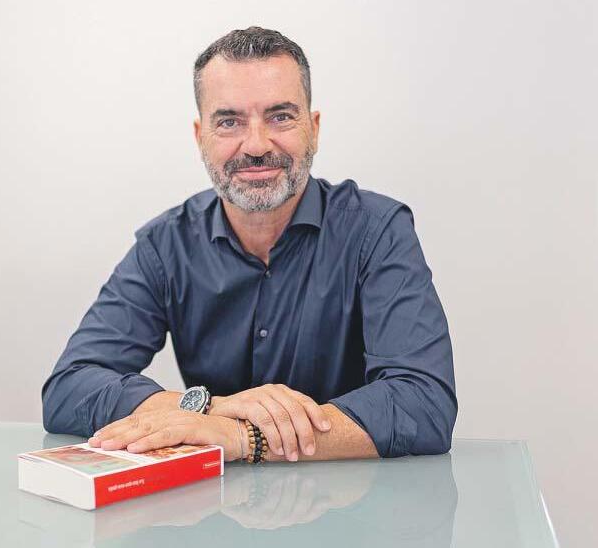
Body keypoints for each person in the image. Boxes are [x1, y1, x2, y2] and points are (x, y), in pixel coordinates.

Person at [42, 26, 457, 463]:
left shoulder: (377, 231)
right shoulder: (166, 246)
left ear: (314, 129)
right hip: (215, 499)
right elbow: (69, 387)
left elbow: (423, 404)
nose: (256, 146)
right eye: (229, 122)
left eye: (280, 117)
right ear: (200, 137)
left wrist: (245, 437)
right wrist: (211, 409)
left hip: (359, 496)